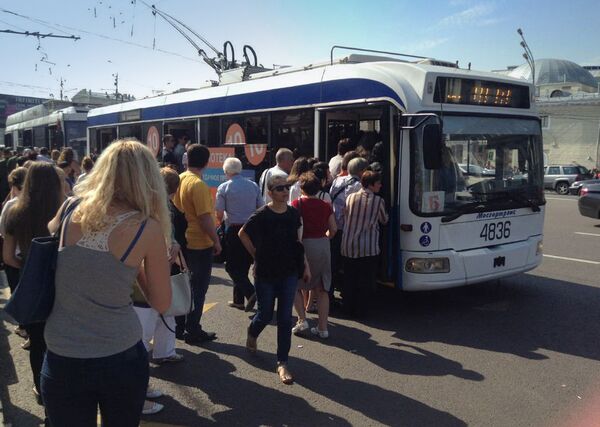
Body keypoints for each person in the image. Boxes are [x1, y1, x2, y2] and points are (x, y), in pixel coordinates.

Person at [42, 139, 172, 427]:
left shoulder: (69, 207)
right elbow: (162, 303)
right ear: (147, 178)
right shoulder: (146, 229)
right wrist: (135, 267)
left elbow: (54, 241)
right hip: (119, 353)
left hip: (62, 351)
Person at [3, 163, 64, 414]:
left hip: (32, 284)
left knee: (37, 341)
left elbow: (8, 257)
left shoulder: (15, 212)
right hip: (62, 281)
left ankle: (41, 387)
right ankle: (61, 386)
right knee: (61, 339)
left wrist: (27, 269)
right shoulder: (67, 209)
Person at [239, 175, 310, 385]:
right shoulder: (262, 215)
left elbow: (298, 242)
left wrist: (305, 265)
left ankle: (282, 362)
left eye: (286, 188)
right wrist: (255, 255)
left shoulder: (293, 213)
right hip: (266, 273)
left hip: (288, 271)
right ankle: (252, 332)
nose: (284, 192)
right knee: (265, 313)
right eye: (279, 188)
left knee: (285, 318)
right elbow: (243, 234)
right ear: (270, 192)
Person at [173, 144, 221, 344]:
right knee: (198, 289)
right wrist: (216, 240)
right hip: (199, 243)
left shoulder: (180, 179)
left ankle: (179, 326)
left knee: (182, 286)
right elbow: (204, 218)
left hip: (182, 241)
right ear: (206, 162)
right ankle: (193, 329)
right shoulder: (199, 185)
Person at [290, 172, 337, 338]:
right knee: (323, 288)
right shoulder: (325, 205)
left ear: (301, 188)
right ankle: (323, 328)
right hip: (322, 245)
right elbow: (333, 229)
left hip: (304, 245)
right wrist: (325, 237)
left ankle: (302, 319)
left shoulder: (296, 204)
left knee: (295, 284)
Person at [215, 157, 264, 310]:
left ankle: (250, 293)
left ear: (226, 171)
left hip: (234, 230)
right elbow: (261, 207)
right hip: (251, 230)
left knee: (231, 266)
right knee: (242, 265)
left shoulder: (224, 187)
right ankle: (238, 300)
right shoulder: (253, 185)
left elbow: (219, 213)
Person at [341, 170, 389, 317]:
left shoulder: (350, 197)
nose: (380, 185)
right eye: (378, 183)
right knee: (365, 281)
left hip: (348, 245)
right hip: (368, 248)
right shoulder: (378, 201)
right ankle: (362, 311)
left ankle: (348, 309)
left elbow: (345, 215)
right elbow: (384, 220)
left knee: (349, 279)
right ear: (371, 184)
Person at [329, 155, 367, 298]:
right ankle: (348, 294)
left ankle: (330, 294)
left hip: (334, 226)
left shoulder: (337, 181)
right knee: (348, 265)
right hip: (348, 229)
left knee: (333, 264)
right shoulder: (359, 186)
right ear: (362, 171)